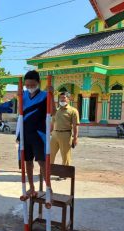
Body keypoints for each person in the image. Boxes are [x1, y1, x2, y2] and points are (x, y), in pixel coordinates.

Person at [18, 70, 56, 199]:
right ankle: (32, 188)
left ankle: (49, 188)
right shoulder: (22, 96)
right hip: (25, 134)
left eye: (32, 85)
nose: (29, 87)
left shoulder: (45, 95)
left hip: (39, 135)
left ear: (38, 83)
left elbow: (53, 112)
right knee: (28, 162)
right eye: (27, 85)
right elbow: (17, 111)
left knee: (42, 162)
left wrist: (52, 96)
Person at [50, 92, 80, 166]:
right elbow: (52, 123)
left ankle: (64, 174)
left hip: (65, 135)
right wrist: (48, 133)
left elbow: (75, 125)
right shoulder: (56, 110)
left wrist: (75, 138)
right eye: (60, 98)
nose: (62, 99)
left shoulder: (73, 111)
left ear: (68, 99)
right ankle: (48, 171)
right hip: (54, 135)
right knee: (50, 154)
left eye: (64, 98)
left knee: (65, 156)